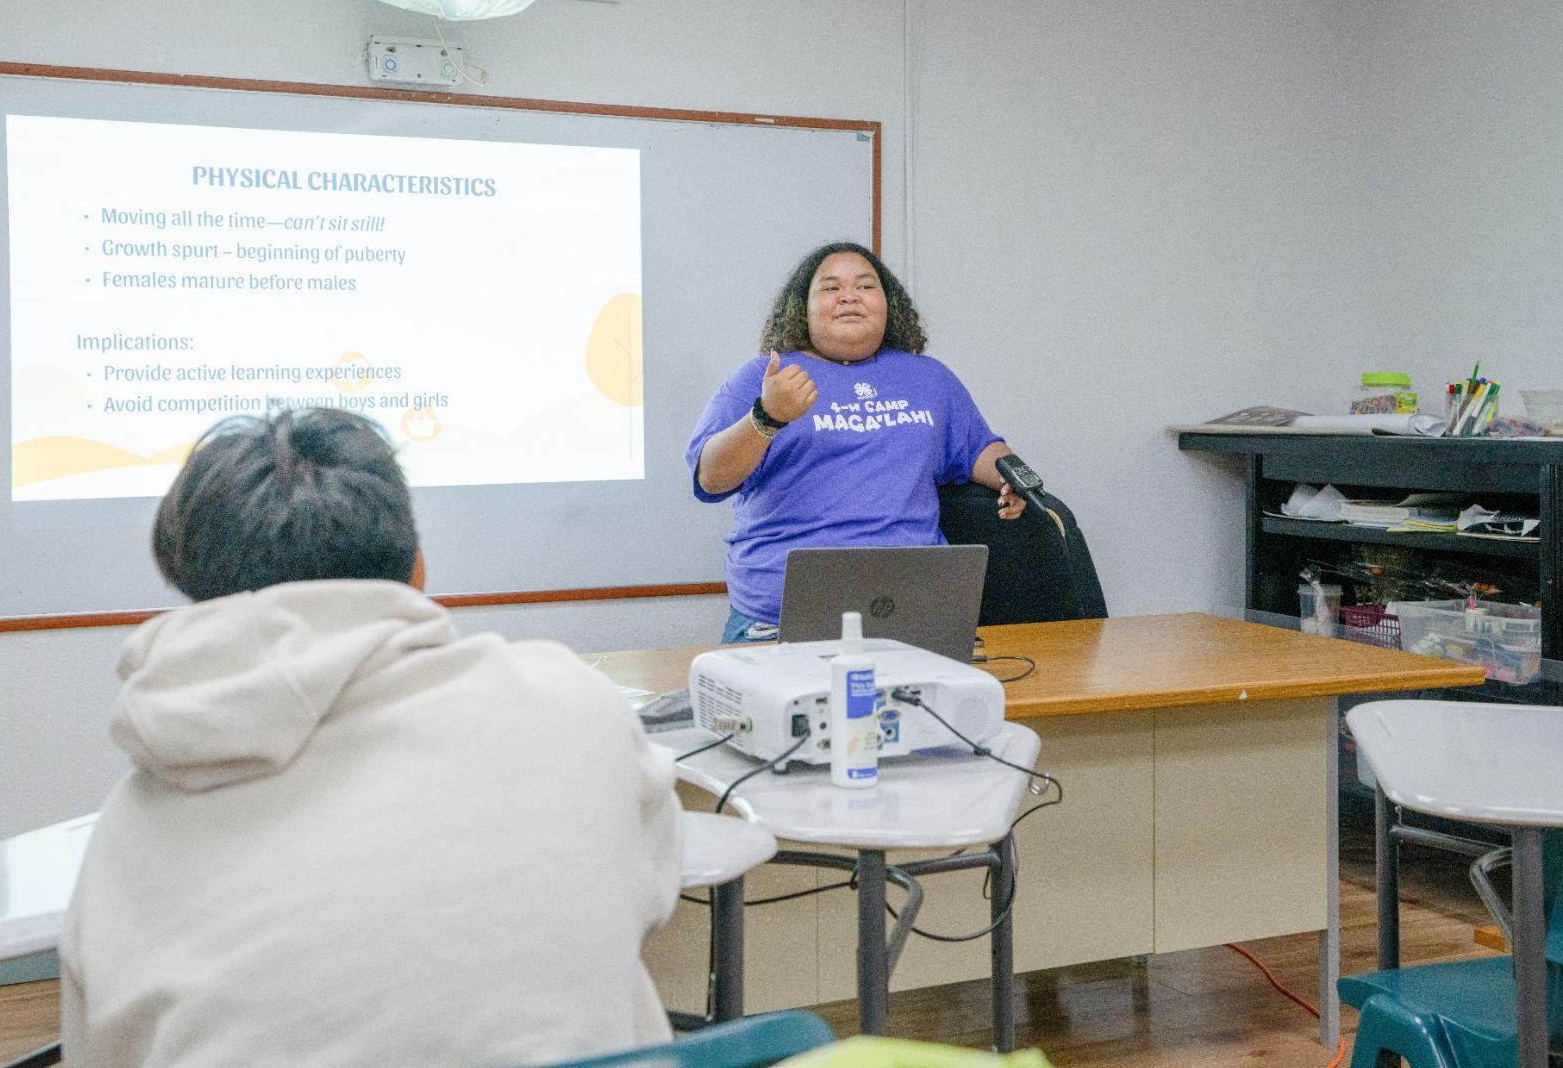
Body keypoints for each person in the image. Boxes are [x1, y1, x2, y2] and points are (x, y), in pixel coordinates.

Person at [62, 408, 682, 1068]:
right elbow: (652, 884)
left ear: (195, 590)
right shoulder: (573, 706)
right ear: (418, 568)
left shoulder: (125, 843)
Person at [687, 241, 1027, 644]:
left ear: (888, 304)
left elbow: (978, 449)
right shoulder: (763, 376)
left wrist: (1014, 478)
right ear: (803, 307)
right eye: (830, 288)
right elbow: (711, 477)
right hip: (781, 621)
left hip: (915, 610)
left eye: (866, 286)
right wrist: (767, 416)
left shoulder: (929, 378)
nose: (849, 296)